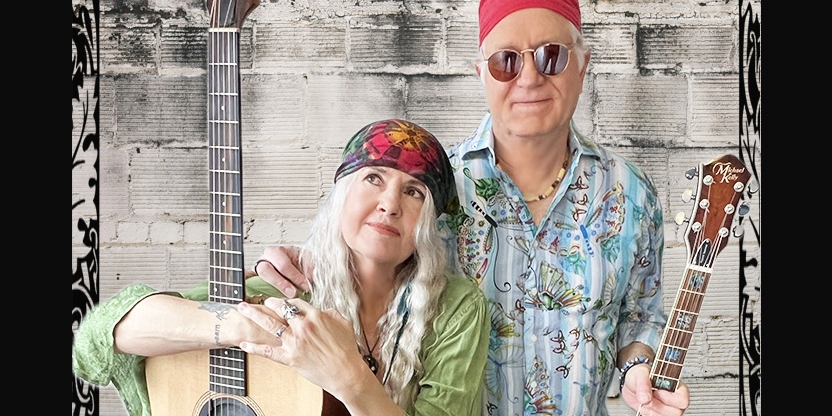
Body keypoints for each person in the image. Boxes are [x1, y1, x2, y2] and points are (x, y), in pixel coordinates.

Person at [250, 1, 691, 415]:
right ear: (482, 72)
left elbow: (639, 315)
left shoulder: (630, 193)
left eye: (551, 56)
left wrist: (638, 369)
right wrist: (287, 268)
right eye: (506, 61)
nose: (529, 77)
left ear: (582, 63)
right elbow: (337, 278)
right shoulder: (426, 188)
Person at [72, 119, 490, 416]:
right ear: (342, 194)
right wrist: (240, 325)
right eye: (373, 179)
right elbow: (95, 343)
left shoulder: (455, 307)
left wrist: (349, 378)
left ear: (428, 223)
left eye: (414, 191)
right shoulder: (285, 287)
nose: (390, 204)